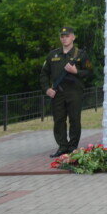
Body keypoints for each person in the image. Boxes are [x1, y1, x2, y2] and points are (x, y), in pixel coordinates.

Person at [40, 27, 93, 157]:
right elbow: (44, 74)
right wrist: (47, 89)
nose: (64, 38)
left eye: (67, 36)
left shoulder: (80, 54)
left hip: (74, 92)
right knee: (58, 120)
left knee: (74, 120)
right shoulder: (53, 55)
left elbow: (89, 72)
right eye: (62, 36)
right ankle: (62, 147)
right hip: (57, 93)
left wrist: (76, 72)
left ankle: (72, 147)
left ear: (73, 37)